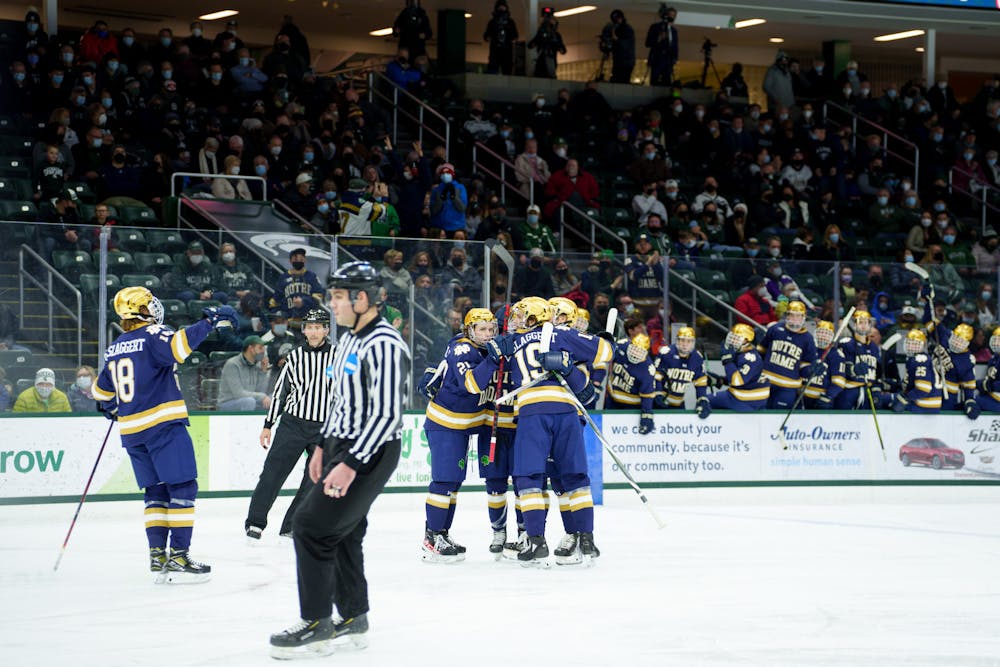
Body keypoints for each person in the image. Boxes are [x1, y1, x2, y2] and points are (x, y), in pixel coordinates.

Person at [269, 261, 409, 658]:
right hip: (339, 444)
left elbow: (386, 416)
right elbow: (341, 400)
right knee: (344, 530)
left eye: (336, 297)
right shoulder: (348, 339)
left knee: (310, 526)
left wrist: (349, 463)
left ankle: (316, 621)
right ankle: (353, 616)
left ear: (361, 299)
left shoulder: (384, 344)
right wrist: (321, 447)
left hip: (371, 448)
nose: (331, 304)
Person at [91, 287, 237, 582]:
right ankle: (180, 557)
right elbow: (179, 347)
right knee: (183, 488)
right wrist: (210, 321)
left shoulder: (116, 346)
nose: (154, 309)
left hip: (132, 432)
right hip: (162, 425)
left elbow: (100, 393)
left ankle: (157, 556)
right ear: (140, 310)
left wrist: (111, 409)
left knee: (155, 491)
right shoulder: (152, 335)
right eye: (149, 305)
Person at [465, 297, 612, 566]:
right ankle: (586, 537)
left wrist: (495, 355)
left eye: (521, 316)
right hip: (566, 412)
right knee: (575, 478)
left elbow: (474, 382)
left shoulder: (512, 342)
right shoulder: (563, 334)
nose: (515, 321)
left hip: (532, 414)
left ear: (534, 318)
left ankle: (536, 541)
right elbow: (605, 353)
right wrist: (584, 350)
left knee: (528, 478)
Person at [246, 309, 335, 540]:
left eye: (319, 327)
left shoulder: (340, 356)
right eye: (310, 327)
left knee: (315, 479)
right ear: (304, 330)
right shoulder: (295, 357)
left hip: (324, 428)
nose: (314, 332)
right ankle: (255, 522)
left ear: (326, 329)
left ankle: (292, 525)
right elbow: (280, 393)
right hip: (293, 424)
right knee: (272, 474)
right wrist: (268, 424)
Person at [419, 308, 497, 562]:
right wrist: (494, 359)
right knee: (443, 481)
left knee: (453, 482)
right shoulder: (462, 349)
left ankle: (442, 533)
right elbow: (471, 384)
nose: (488, 334)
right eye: (482, 329)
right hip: (446, 424)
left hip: (461, 427)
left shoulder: (486, 349)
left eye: (491, 329)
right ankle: (432, 538)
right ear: (470, 330)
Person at [755, 301, 821, 410]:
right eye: (792, 315)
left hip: (788, 386)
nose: (795, 318)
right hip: (765, 381)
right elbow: (760, 352)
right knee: (760, 412)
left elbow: (805, 367)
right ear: (787, 315)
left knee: (779, 416)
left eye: (798, 316)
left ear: (803, 317)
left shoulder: (808, 339)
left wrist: (812, 370)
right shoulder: (775, 329)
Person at [825, 311, 881, 410]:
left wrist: (876, 387)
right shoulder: (846, 343)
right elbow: (838, 366)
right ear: (854, 325)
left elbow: (877, 371)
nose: (863, 326)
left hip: (867, 390)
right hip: (849, 389)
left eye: (866, 323)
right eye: (860, 322)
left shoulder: (874, 347)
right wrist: (853, 369)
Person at [709, 323, 770, 411]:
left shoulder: (750, 358)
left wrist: (728, 361)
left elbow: (737, 381)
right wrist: (722, 380)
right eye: (732, 337)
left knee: (705, 400)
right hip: (749, 395)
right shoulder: (744, 353)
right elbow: (748, 379)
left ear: (746, 341)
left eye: (736, 339)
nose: (732, 341)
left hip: (746, 399)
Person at [605, 333, 656, 434]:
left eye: (639, 351)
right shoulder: (621, 346)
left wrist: (647, 414)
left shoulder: (648, 369)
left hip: (632, 407)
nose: (635, 353)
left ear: (645, 353)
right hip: (611, 400)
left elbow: (647, 395)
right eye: (634, 349)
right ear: (629, 345)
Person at [653, 327, 709, 417]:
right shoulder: (666, 353)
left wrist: (702, 399)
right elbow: (656, 376)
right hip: (660, 401)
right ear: (677, 341)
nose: (685, 344)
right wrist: (657, 393)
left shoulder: (697, 357)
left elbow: (700, 382)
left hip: (679, 403)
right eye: (682, 340)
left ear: (693, 343)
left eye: (689, 341)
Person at [891, 329, 942, 414]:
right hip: (925, 404)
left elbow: (923, 389)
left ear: (923, 346)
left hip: (924, 405)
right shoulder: (914, 359)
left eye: (916, 344)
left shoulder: (920, 360)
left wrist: (906, 398)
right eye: (909, 343)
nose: (911, 347)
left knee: (884, 400)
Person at [217, 335, 271, 411]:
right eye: (260, 348)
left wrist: (263, 371)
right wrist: (262, 396)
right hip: (228, 403)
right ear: (251, 348)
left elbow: (261, 392)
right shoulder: (232, 364)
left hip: (250, 400)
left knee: (272, 399)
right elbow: (238, 393)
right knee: (249, 402)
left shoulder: (257, 364)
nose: (263, 351)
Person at [268, 248, 325, 320]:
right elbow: (276, 299)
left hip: (308, 321)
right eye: (295, 259)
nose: (298, 261)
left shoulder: (311, 276)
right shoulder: (283, 277)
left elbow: (319, 296)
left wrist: (304, 302)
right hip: (289, 321)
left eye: (301, 258)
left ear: (305, 260)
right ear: (290, 261)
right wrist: (278, 314)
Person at [527, 7, 566, 79]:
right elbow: (530, 45)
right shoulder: (541, 34)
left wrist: (556, 43)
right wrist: (540, 39)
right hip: (541, 64)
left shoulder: (556, 35)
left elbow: (563, 51)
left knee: (551, 77)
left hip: (551, 63)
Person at [645, 4, 678, 87]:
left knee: (667, 84)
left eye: (674, 15)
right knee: (654, 83)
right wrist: (658, 39)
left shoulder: (674, 31)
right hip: (657, 59)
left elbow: (675, 46)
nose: (672, 17)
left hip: (669, 61)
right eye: (670, 15)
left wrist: (674, 59)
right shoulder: (655, 27)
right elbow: (647, 43)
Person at [483, 1, 518, 75]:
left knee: (507, 69)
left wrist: (507, 28)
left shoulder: (510, 22)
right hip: (495, 50)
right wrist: (489, 37)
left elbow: (515, 36)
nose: (501, 9)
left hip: (506, 50)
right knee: (493, 69)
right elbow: (486, 35)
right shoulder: (492, 22)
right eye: (499, 7)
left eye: (503, 7)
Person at [605, 10, 635, 84]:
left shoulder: (627, 29)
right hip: (618, 61)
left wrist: (617, 39)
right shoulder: (616, 28)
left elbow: (627, 45)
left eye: (618, 18)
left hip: (626, 62)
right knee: (616, 80)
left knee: (623, 81)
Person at [975, 326, 1000, 413]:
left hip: (997, 400)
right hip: (991, 396)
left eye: (999, 340)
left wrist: (985, 385)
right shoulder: (994, 358)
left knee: (974, 401)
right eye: (995, 339)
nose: (996, 343)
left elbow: (993, 385)